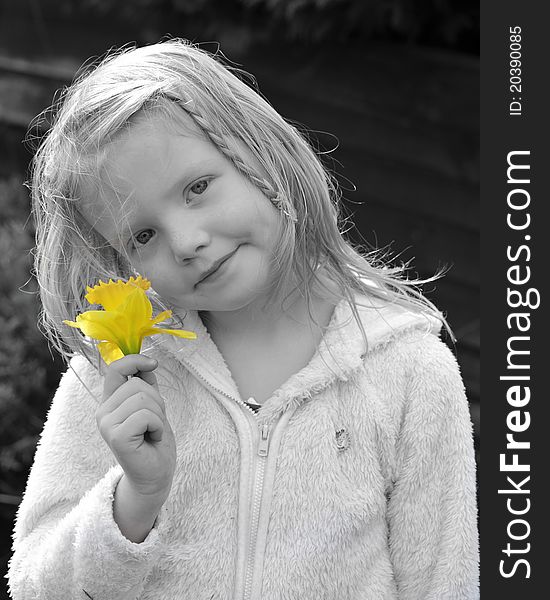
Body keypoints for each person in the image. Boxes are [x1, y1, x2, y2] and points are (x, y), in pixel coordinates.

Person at [6, 39, 479, 599]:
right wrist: (135, 500)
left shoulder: (410, 372)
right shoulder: (114, 379)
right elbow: (34, 588)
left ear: (260, 154)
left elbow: (445, 586)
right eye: (143, 235)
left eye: (197, 188)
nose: (185, 243)